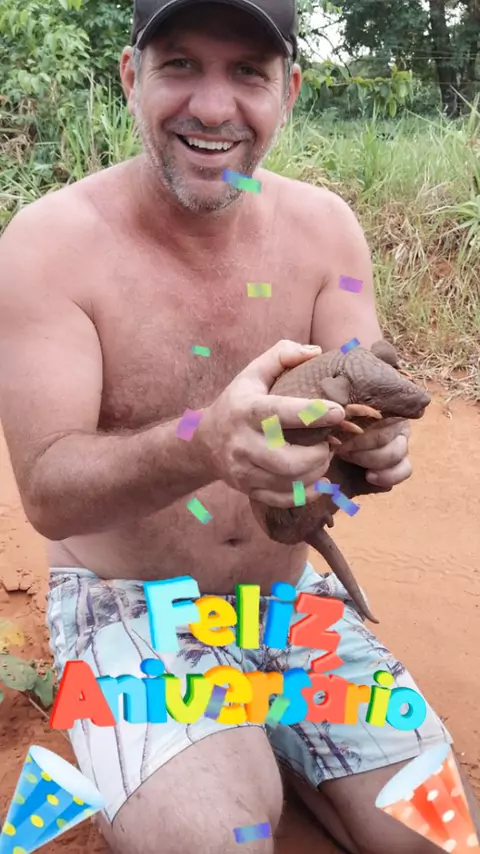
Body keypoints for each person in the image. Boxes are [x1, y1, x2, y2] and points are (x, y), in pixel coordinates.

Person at [0, 1, 477, 852]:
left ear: (288, 90)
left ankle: (259, 732)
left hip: (287, 601)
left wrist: (373, 453)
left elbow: (367, 395)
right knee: (221, 836)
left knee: (435, 835)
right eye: (180, 64)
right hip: (129, 604)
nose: (214, 107)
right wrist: (205, 443)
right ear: (131, 76)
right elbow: (48, 493)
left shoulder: (327, 231)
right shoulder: (47, 245)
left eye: (248, 72)